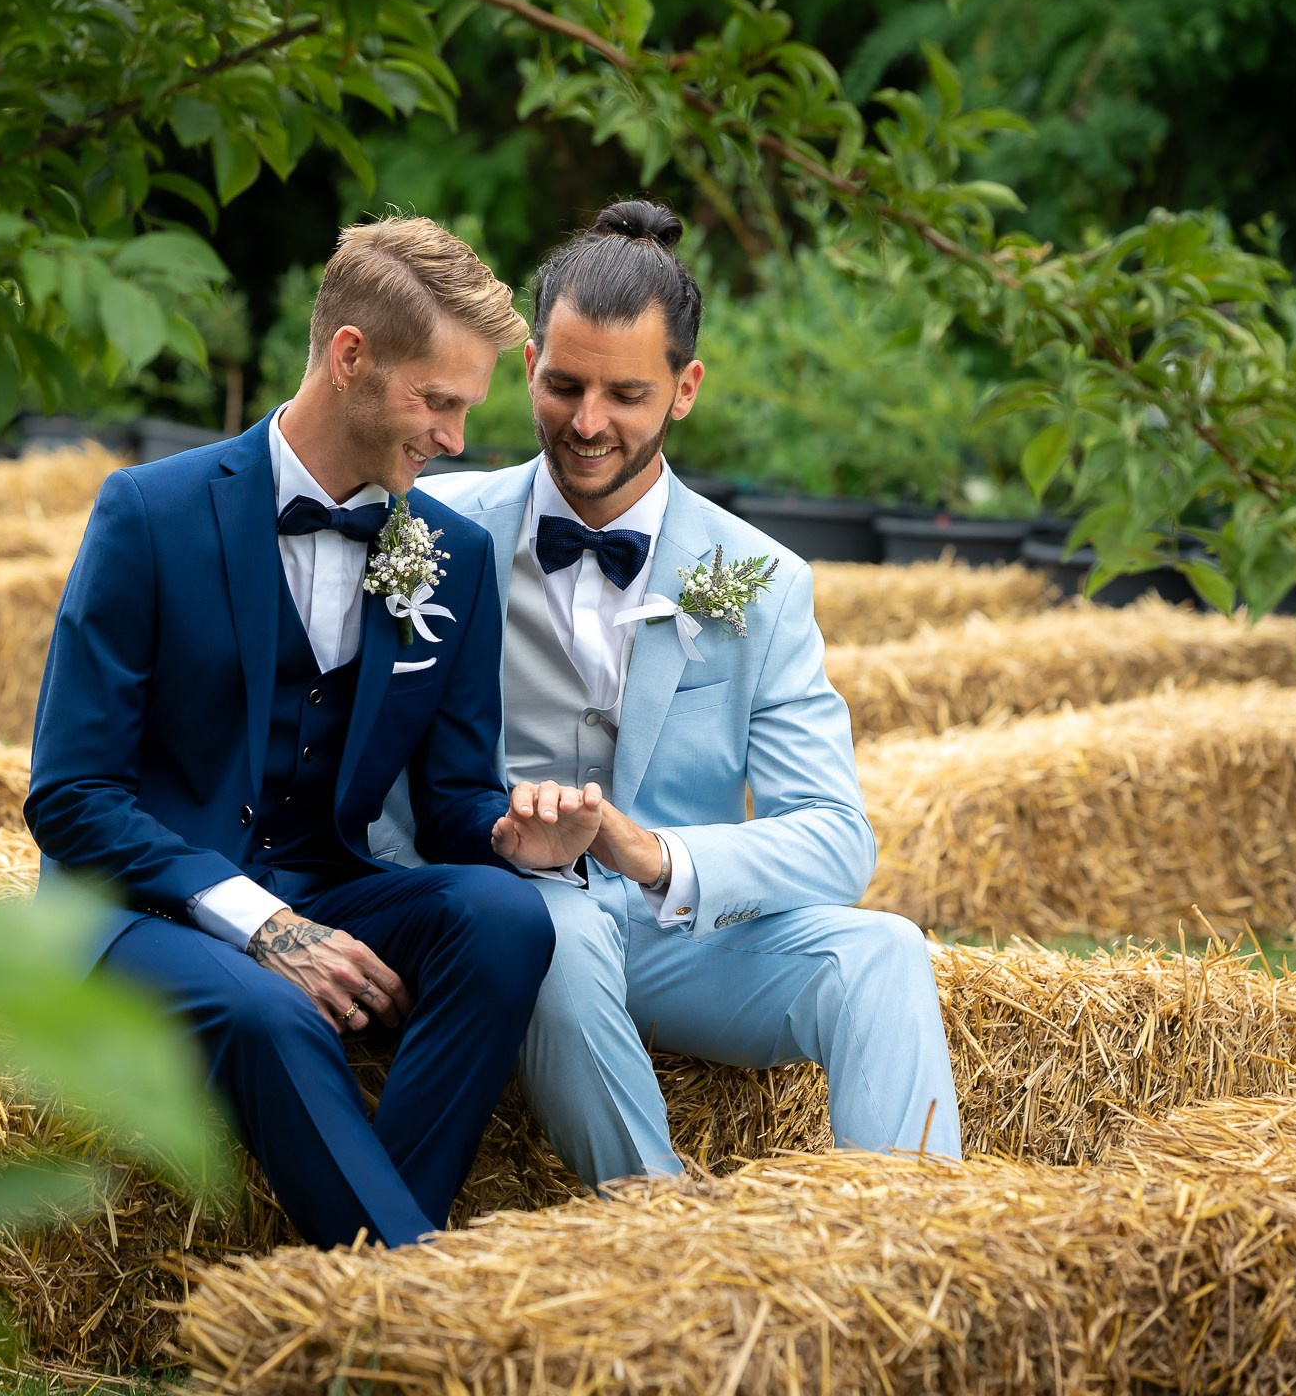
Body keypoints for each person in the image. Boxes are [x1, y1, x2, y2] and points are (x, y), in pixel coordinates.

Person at [24, 216, 603, 1248]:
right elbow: (71, 799)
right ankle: (407, 1292)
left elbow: (456, 796)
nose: (456, 440)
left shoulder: (452, 554)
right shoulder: (149, 514)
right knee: (276, 1013)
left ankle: (367, 1277)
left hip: (325, 879)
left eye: (467, 408)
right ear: (350, 359)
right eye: (438, 400)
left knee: (509, 919)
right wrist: (264, 928)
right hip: (137, 911)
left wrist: (517, 839)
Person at [369, 199, 961, 1185]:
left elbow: (835, 837)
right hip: (512, 923)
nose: (587, 423)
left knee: (885, 952)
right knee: (547, 934)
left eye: (626, 395)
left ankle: (908, 1258)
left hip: (681, 938)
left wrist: (658, 855)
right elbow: (370, 772)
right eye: (563, 386)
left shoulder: (760, 577)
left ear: (685, 389)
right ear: (526, 370)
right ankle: (669, 1247)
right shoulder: (426, 532)